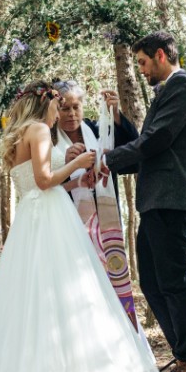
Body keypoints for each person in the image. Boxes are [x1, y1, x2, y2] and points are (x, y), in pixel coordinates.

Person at [0, 81, 158, 372]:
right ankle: (66, 371)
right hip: (48, 217)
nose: (60, 115)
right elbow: (43, 181)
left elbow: (41, 183)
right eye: (58, 107)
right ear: (46, 106)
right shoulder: (38, 129)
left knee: (34, 293)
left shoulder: (23, 131)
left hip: (33, 214)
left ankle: (41, 370)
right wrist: (77, 166)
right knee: (68, 290)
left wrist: (75, 182)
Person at [101, 32, 186, 372]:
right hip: (156, 200)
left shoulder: (182, 87)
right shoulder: (168, 92)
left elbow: (156, 141)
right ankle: (184, 359)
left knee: (174, 281)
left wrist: (107, 160)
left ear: (161, 55)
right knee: (152, 282)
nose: (142, 71)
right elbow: (149, 147)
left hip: (171, 199)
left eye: (144, 63)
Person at [53, 81, 141, 330]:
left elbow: (134, 156)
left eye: (75, 107)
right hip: (68, 220)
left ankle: (115, 330)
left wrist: (116, 115)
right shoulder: (48, 139)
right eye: (64, 108)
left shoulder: (97, 129)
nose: (71, 114)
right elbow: (43, 180)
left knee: (108, 279)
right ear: (54, 109)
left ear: (83, 107)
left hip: (105, 218)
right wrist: (66, 164)